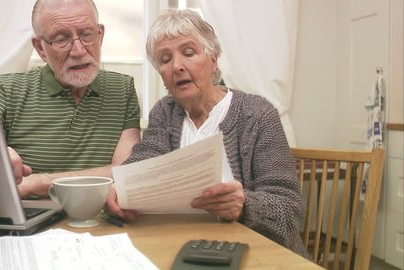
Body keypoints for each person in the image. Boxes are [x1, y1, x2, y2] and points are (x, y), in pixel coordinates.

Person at [106, 9, 309, 257]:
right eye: (165, 59)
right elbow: (145, 160)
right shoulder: (165, 112)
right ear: (161, 74)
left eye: (189, 53)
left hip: (256, 254)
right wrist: (122, 187)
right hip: (183, 249)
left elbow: (291, 212)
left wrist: (244, 205)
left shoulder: (257, 114)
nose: (177, 66)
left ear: (213, 60)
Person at [0, 0, 141, 198]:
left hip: (100, 221)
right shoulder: (5, 91)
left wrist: (36, 183)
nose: (78, 51)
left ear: (100, 36)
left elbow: (125, 173)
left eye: (87, 34)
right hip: (28, 222)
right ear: (41, 48)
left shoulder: (122, 89)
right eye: (61, 39)